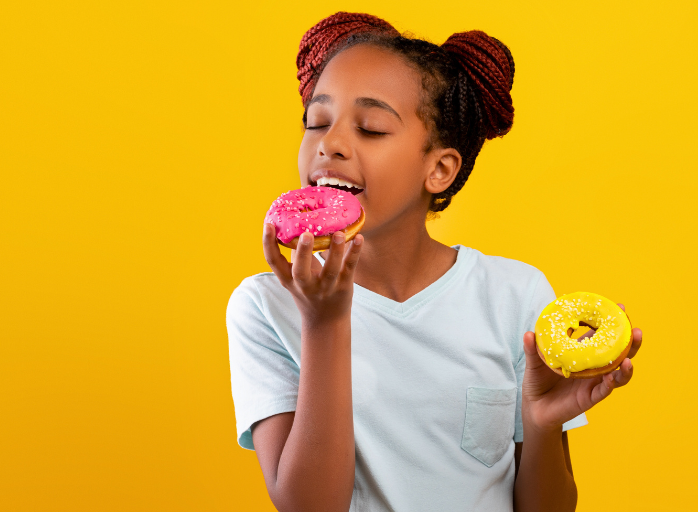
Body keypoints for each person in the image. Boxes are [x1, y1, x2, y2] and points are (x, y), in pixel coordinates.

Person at [225, 12, 643, 511]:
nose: (328, 144)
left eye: (371, 128)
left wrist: (541, 422)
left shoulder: (514, 296)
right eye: (316, 121)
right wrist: (324, 324)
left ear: (440, 169)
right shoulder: (267, 305)